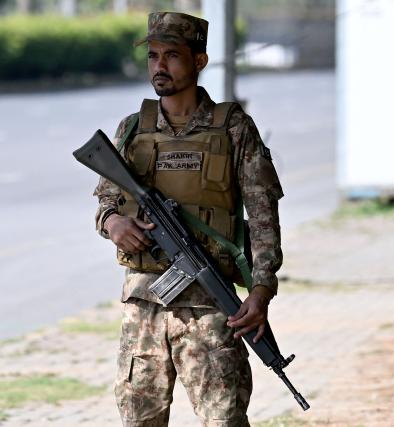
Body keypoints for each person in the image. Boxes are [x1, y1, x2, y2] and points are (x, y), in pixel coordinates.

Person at [93, 11, 284, 427]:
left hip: (213, 308)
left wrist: (262, 289)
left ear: (199, 61)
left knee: (224, 420)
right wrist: (114, 224)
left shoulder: (233, 128)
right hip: (145, 309)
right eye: (153, 56)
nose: (159, 66)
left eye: (172, 56)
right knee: (139, 420)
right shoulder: (132, 129)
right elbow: (106, 202)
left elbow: (264, 214)